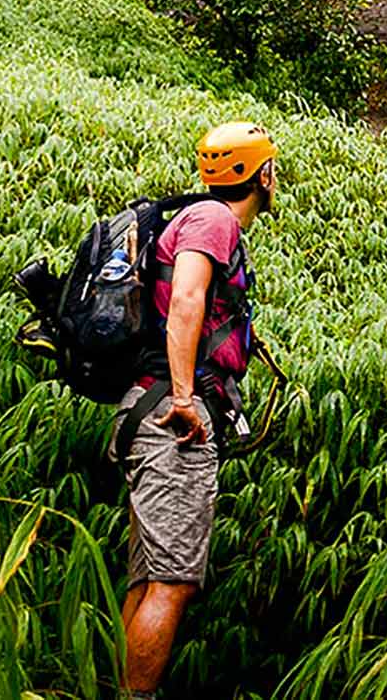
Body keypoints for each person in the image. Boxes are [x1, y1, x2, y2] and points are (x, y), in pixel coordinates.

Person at [117, 120, 273, 696]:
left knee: (149, 577)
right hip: (171, 416)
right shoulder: (214, 221)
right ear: (263, 174)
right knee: (173, 581)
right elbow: (185, 297)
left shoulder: (200, 219)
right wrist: (185, 398)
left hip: (147, 407)